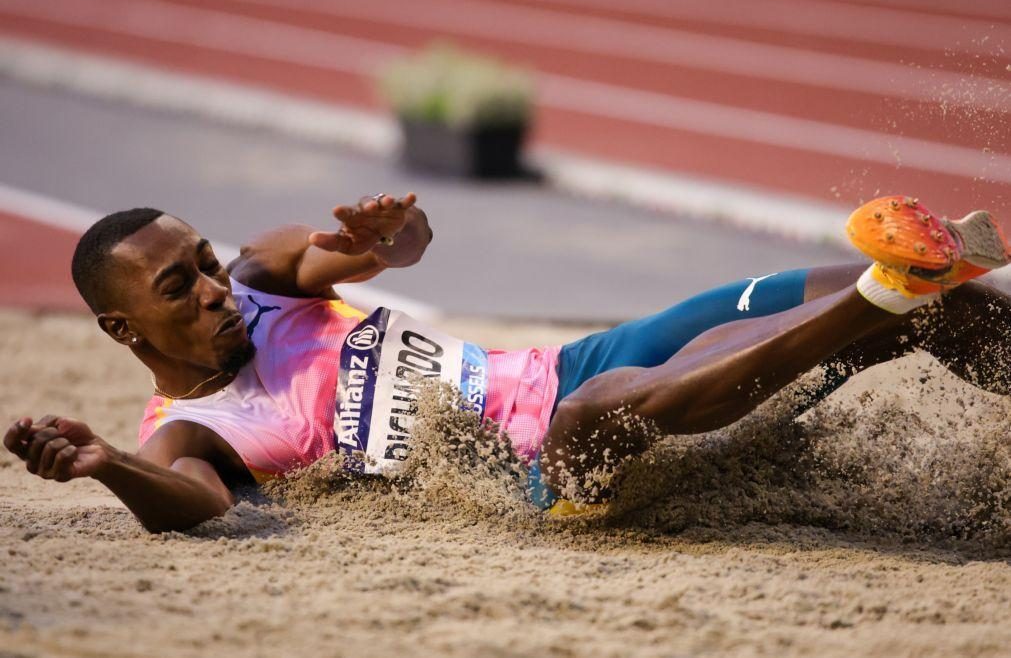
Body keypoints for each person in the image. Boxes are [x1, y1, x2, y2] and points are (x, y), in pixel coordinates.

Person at [5, 193, 1010, 530]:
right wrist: (104, 466)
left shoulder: (270, 276)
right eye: (177, 289)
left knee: (946, 297)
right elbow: (202, 506)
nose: (217, 290)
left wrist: (397, 233)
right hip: (544, 471)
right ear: (123, 329)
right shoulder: (191, 433)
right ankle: (880, 297)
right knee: (597, 414)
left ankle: (891, 292)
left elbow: (389, 251)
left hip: (574, 359)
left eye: (206, 265)